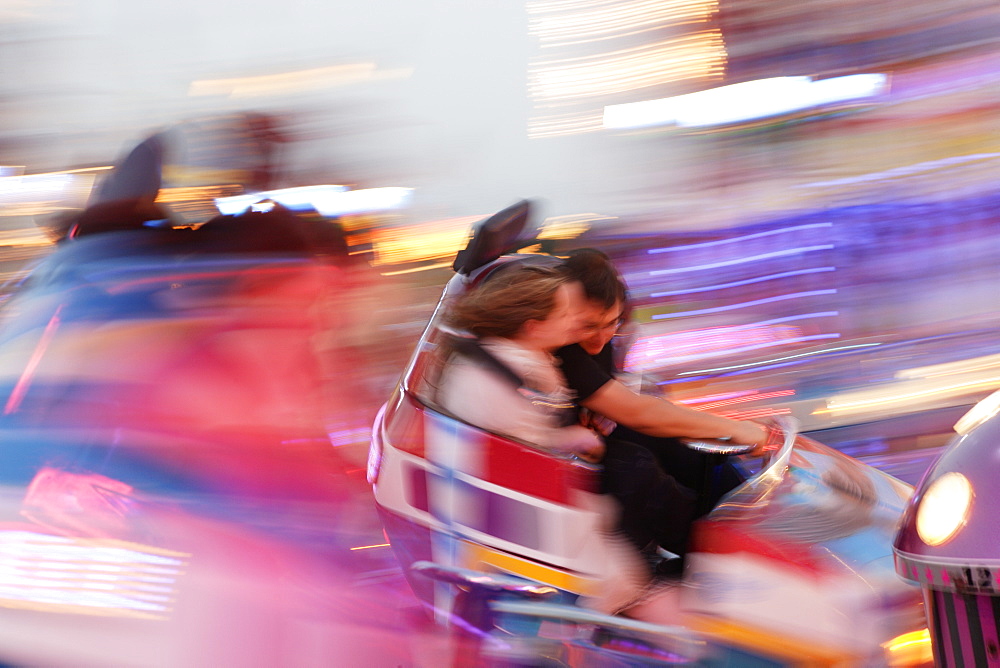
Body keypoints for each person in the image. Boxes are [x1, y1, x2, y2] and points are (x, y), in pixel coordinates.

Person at [556, 249, 768, 561]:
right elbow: (639, 412)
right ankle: (717, 556)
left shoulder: (600, 340)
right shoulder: (566, 349)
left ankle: (755, 524)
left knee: (690, 449)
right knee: (636, 463)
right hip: (575, 463)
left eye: (611, 323)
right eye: (588, 326)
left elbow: (623, 401)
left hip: (595, 440)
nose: (601, 338)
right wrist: (739, 430)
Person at [436, 264, 604, 461]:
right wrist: (572, 439)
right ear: (534, 328)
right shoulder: (499, 379)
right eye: (564, 315)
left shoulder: (521, 358)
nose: (573, 322)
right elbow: (521, 454)